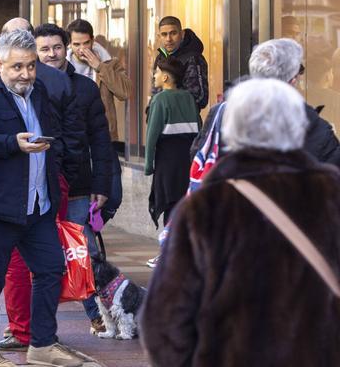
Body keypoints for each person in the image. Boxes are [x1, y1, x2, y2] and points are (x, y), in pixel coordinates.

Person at [140, 78, 340, 366]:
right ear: (299, 126)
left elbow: (166, 319)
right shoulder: (331, 194)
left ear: (231, 130)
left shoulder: (204, 207)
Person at [0, 29, 86, 367]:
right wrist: (10, 144)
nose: (26, 74)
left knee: (50, 270)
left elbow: (54, 135)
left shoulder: (40, 90)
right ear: (0, 63)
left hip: (38, 204)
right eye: (17, 67)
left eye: (30, 66)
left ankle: (42, 345)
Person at [0, 23, 109, 344]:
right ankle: (24, 327)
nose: (50, 54)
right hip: (36, 186)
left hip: (68, 185)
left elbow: (95, 139)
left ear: (66, 48)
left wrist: (98, 183)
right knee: (33, 262)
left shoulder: (81, 87)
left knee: (78, 253)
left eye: (56, 47)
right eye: (43, 49)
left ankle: (97, 314)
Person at [191, 38, 340, 167]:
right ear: (293, 79)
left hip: (229, 197)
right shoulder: (312, 126)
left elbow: (198, 154)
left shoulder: (222, 111)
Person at [145, 56, 200, 263]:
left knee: (169, 205)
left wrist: (148, 165)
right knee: (183, 204)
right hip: (188, 160)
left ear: (166, 77)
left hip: (167, 162)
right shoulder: (189, 98)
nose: (155, 75)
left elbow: (152, 136)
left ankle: (168, 252)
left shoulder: (160, 99)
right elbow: (198, 130)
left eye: (157, 72)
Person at [65, 19, 130, 143]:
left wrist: (100, 67)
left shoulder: (109, 63)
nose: (82, 49)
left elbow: (125, 92)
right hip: (73, 132)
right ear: (70, 44)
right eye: (77, 44)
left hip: (102, 133)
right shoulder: (62, 66)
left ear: (93, 40)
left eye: (86, 43)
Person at [152, 16, 209, 110]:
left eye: (173, 33)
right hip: (161, 119)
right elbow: (154, 91)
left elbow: (200, 98)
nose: (168, 39)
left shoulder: (193, 58)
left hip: (184, 120)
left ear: (182, 34)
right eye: (164, 34)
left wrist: (170, 107)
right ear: (159, 37)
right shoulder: (160, 57)